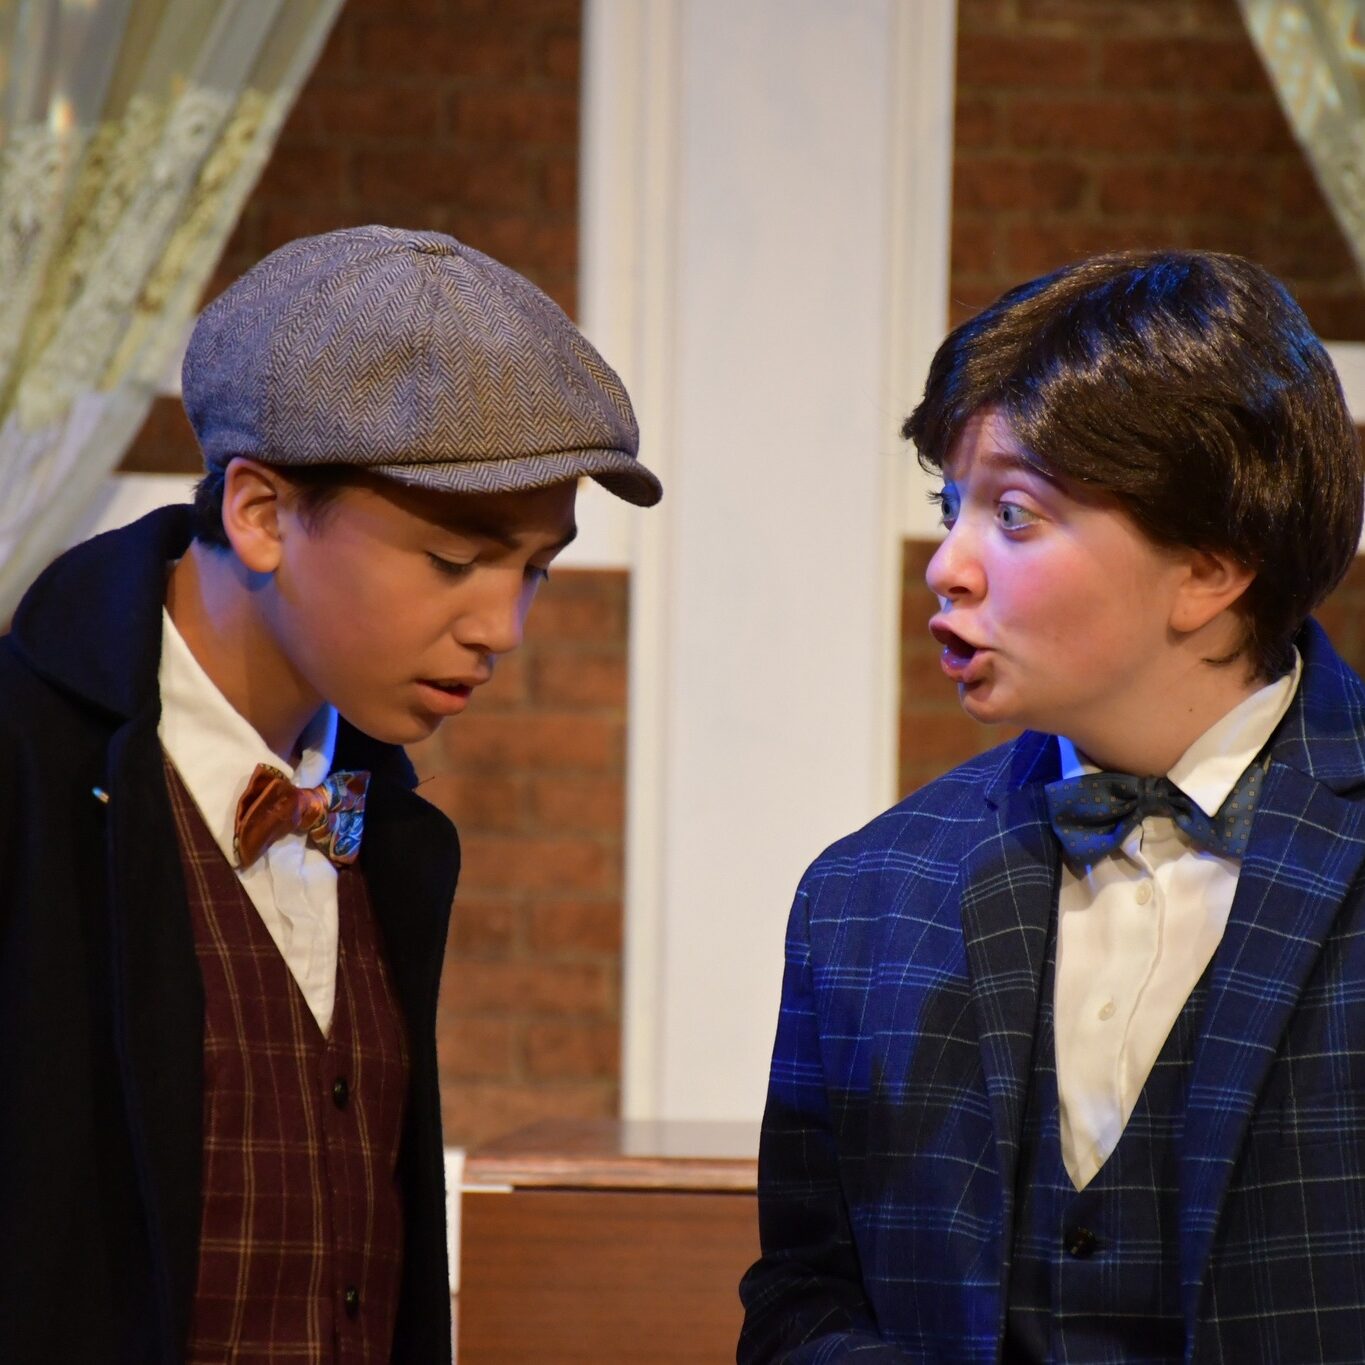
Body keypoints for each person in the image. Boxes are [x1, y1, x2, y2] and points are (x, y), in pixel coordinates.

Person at [0, 225, 660, 1363]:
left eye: (535, 569)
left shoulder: (382, 817)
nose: (501, 627)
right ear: (260, 514)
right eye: (456, 559)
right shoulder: (26, 770)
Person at [738, 250, 1365, 1362]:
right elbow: (802, 1295)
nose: (948, 566)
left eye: (1015, 513)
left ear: (1210, 567)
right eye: (949, 507)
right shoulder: (863, 896)